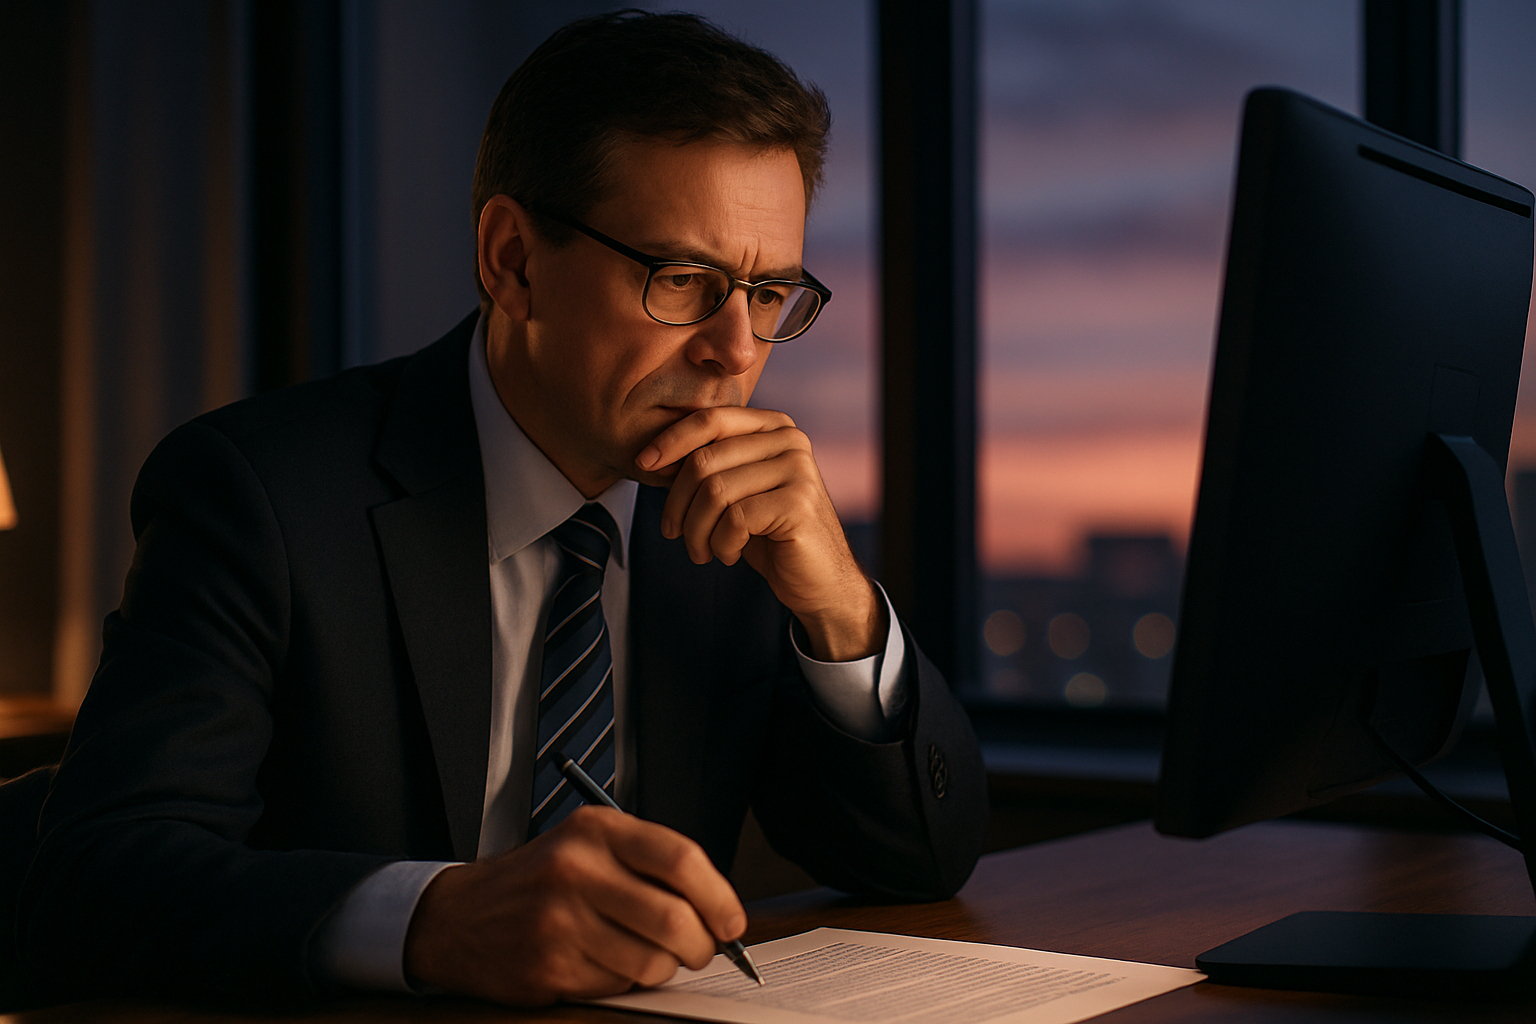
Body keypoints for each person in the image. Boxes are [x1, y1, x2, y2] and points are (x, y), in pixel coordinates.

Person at [18, 11, 987, 1009]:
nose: (738, 351)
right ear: (513, 260)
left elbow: (923, 861)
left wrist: (840, 613)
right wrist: (438, 918)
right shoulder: (257, 494)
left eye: (770, 292)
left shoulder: (741, 525)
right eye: (684, 280)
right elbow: (97, 881)